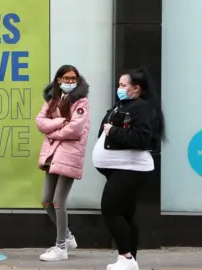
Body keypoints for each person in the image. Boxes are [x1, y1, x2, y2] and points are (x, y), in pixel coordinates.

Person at [92, 67, 165, 270]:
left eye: (123, 85)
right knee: (124, 214)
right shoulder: (124, 105)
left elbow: (142, 139)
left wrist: (113, 131)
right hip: (119, 168)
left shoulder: (141, 107)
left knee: (110, 208)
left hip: (130, 168)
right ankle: (130, 259)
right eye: (119, 85)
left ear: (137, 89)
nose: (119, 88)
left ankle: (126, 258)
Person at [35, 65, 90, 261]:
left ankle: (61, 247)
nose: (69, 82)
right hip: (52, 155)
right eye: (65, 78)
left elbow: (75, 129)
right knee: (46, 200)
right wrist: (60, 123)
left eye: (73, 78)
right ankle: (67, 236)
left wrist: (52, 132)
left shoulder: (81, 101)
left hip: (69, 156)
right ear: (58, 80)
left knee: (58, 201)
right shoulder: (52, 100)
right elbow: (40, 122)